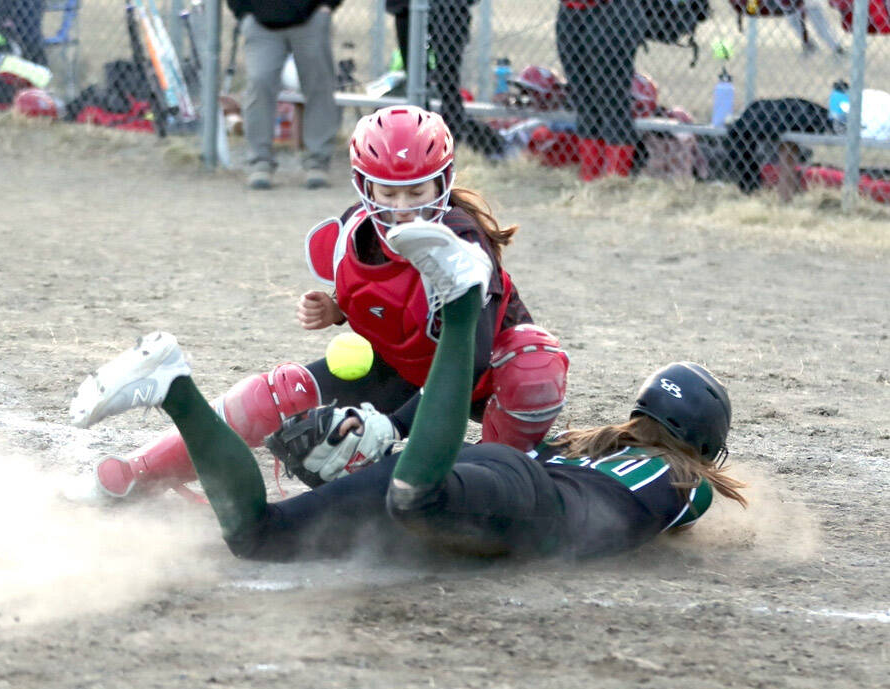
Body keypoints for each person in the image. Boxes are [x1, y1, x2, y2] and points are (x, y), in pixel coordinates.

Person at [69, 226, 746, 562]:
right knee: (417, 496)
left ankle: (174, 386)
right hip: (519, 503)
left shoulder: (591, 445)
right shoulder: (686, 480)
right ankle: (457, 304)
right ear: (701, 444)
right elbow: (697, 501)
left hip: (496, 475)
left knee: (257, 537)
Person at [90, 105, 569, 503]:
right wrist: (338, 309)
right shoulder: (349, 235)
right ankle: (139, 472)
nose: (404, 208)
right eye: (389, 192)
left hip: (480, 378)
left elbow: (467, 357)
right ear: (364, 186)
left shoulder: (463, 243)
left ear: (442, 182)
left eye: (418, 192)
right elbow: (394, 304)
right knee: (276, 394)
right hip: (407, 366)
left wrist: (392, 425)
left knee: (533, 365)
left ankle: (500, 473)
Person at [226, 0, 343, 190]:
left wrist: (327, 5)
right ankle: (260, 162)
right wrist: (244, 12)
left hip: (311, 16)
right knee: (259, 83)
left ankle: (318, 162)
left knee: (319, 88)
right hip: (260, 21)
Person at [386, 0, 506, 159]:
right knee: (414, 81)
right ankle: (419, 143)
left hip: (450, 6)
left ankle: (450, 144)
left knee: (448, 81)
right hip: (407, 9)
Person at [556, 0, 647, 181]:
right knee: (583, 98)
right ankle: (590, 179)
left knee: (611, 98)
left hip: (613, 9)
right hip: (571, 9)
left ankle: (615, 181)